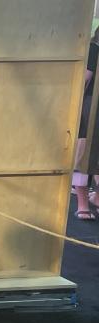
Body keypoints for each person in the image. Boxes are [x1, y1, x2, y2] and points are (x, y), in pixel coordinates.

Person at [73, 26, 99, 220]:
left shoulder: (93, 48)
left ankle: (83, 206)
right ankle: (96, 198)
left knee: (83, 154)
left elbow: (85, 79)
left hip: (91, 108)